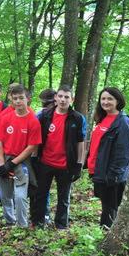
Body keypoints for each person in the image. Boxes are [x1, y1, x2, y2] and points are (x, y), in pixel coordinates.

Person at [31, 85, 86, 229]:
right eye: (60, 96)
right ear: (55, 97)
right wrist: (34, 158)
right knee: (41, 194)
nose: (63, 100)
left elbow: (81, 143)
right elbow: (36, 139)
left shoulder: (77, 118)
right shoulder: (45, 116)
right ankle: (38, 222)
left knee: (64, 198)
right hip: (45, 162)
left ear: (72, 99)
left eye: (66, 97)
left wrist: (80, 164)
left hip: (66, 164)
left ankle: (61, 225)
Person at [0, 84, 42, 227]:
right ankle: (9, 220)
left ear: (28, 99)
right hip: (4, 158)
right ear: (11, 100)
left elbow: (31, 147)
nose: (18, 101)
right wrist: (2, 164)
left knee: (20, 196)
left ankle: (22, 225)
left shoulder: (33, 120)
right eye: (15, 99)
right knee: (5, 195)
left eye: (21, 98)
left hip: (22, 162)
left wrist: (12, 163)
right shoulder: (6, 117)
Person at [86, 87, 129, 229]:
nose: (105, 102)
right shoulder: (102, 118)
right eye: (103, 99)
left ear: (118, 101)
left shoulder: (123, 122)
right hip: (98, 171)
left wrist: (113, 175)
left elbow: (123, 153)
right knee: (106, 205)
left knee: (110, 208)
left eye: (110, 99)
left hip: (111, 175)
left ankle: (107, 235)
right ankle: (106, 233)